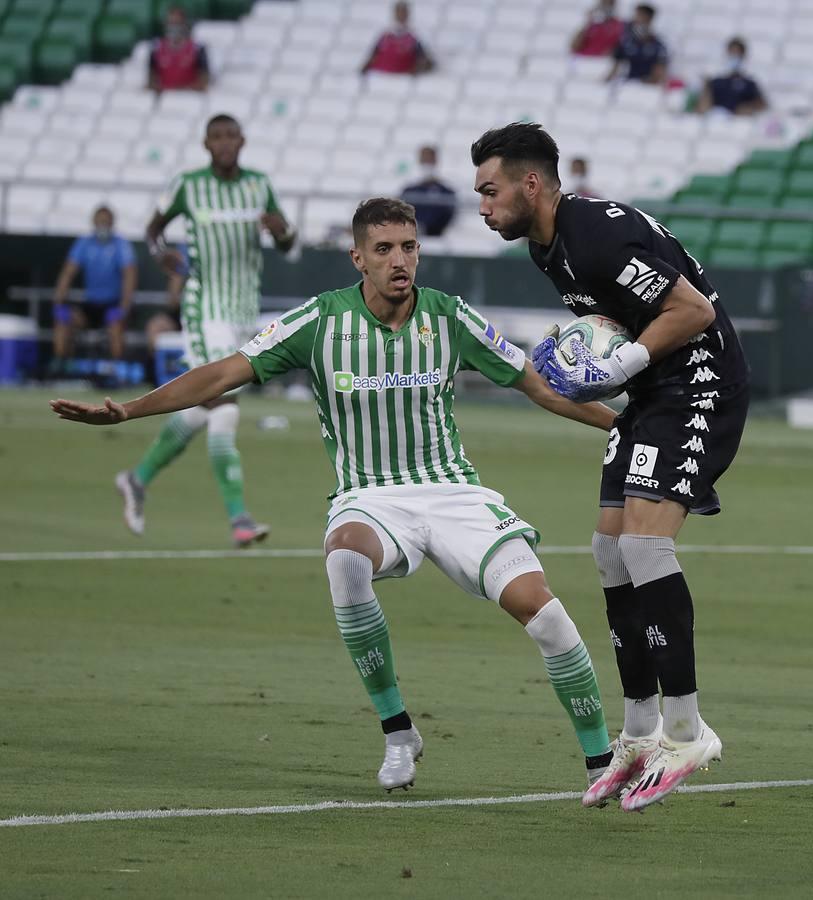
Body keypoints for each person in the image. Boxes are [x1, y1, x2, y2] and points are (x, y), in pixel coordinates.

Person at [51, 198, 618, 795]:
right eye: (384, 249)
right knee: (346, 561)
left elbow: (539, 385)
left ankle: (602, 762)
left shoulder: (450, 317)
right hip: (368, 496)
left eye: (409, 247)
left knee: (545, 614)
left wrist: (623, 427)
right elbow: (224, 372)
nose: (400, 260)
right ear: (358, 258)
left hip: (451, 491)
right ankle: (398, 730)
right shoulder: (321, 320)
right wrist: (132, 410)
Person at [472, 123, 750, 811]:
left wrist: (620, 367)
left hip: (698, 385)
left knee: (643, 542)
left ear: (529, 184)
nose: (481, 206)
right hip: (655, 391)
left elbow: (692, 309)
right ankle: (639, 732)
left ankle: (687, 730)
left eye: (489, 190)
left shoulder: (594, 232)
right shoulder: (548, 246)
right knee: (608, 549)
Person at [118, 114, 296, 547]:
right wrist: (161, 255)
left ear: (243, 140)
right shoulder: (188, 185)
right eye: (217, 137)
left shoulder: (260, 185)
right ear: (205, 143)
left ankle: (137, 479)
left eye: (231, 136)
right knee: (223, 400)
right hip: (205, 306)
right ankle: (239, 518)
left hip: (242, 310)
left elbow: (288, 241)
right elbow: (153, 230)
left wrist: (283, 232)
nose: (225, 143)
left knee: (204, 404)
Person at [50, 206, 137, 368]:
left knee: (115, 322)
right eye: (100, 221)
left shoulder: (121, 244)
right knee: (64, 318)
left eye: (106, 221)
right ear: (93, 222)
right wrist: (59, 301)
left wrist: (125, 306)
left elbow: (129, 275)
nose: (102, 225)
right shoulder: (84, 243)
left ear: (112, 223)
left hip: (113, 304)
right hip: (91, 305)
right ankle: (61, 366)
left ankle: (117, 369)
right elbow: (68, 273)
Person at [695, 38, 767, 116]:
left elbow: (762, 105)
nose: (734, 57)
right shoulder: (716, 82)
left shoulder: (749, 85)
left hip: (739, 124)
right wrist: (706, 87)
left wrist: (747, 108)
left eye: (737, 54)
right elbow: (701, 108)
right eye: (732, 53)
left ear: (743, 56)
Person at [361, 2, 435, 75]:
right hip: (382, 76)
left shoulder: (413, 38)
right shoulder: (384, 37)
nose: (401, 16)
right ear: (395, 14)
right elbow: (372, 56)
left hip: (404, 76)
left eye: (403, 13)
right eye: (399, 13)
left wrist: (416, 68)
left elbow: (425, 59)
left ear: (408, 15)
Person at [148, 5, 209, 93]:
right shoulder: (156, 48)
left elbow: (204, 79)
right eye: (171, 23)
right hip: (164, 97)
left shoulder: (198, 49)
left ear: (184, 24)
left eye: (177, 23)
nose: (174, 27)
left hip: (189, 97)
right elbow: (151, 79)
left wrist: (182, 91)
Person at [400, 146, 457, 237]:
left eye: (430, 160)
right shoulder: (409, 190)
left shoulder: (446, 191)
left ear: (435, 161)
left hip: (438, 233)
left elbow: (449, 213)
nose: (427, 164)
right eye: (424, 160)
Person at [607, 4, 668, 85]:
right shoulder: (626, 43)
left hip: (645, 87)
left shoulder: (658, 45)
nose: (635, 19)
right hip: (627, 84)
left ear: (648, 18)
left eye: (639, 16)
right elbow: (615, 68)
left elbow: (659, 72)